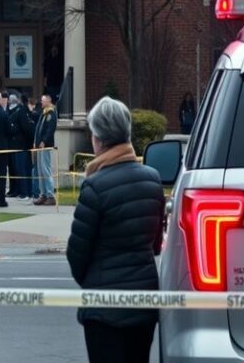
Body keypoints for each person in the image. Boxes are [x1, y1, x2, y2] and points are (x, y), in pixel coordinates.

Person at [66, 96, 165, 363]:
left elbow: (76, 254)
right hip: (144, 301)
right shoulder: (153, 181)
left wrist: (93, 282)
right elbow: (156, 245)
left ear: (98, 138)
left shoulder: (94, 186)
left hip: (104, 308)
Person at [7, 93, 34, 201]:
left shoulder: (21, 112)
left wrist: (14, 130)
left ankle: (25, 192)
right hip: (20, 146)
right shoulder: (21, 112)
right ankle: (25, 191)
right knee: (22, 169)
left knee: (22, 169)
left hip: (21, 146)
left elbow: (25, 128)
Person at [33, 93, 57, 206]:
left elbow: (50, 129)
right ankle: (43, 195)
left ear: (49, 100)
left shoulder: (51, 113)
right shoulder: (44, 113)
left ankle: (50, 195)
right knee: (40, 170)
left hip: (45, 146)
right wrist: (36, 142)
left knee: (46, 170)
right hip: (39, 146)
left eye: (43, 100)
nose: (41, 102)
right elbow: (39, 129)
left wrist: (43, 141)